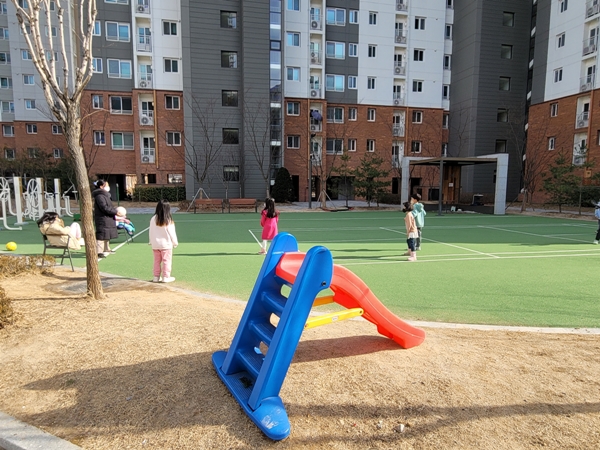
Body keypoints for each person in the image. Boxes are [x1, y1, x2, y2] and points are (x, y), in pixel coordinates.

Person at [149, 200, 178, 283]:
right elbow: (172, 233)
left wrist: (151, 241)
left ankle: (156, 277)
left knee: (156, 261)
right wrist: (175, 242)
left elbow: (151, 231)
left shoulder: (153, 219)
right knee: (166, 261)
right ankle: (166, 277)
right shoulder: (168, 220)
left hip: (155, 244)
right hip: (166, 245)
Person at [92, 179, 118, 258]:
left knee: (107, 233)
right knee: (101, 234)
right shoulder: (99, 196)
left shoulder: (106, 195)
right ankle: (99, 252)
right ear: (101, 186)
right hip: (102, 218)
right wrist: (115, 211)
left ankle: (106, 248)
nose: (108, 187)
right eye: (106, 185)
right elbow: (104, 207)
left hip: (108, 217)